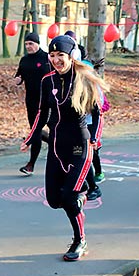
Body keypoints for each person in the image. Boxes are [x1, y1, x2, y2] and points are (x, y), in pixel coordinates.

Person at [21, 35, 104, 262]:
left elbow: (97, 114)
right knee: (54, 200)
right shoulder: (47, 80)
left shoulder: (83, 79)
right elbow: (42, 113)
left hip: (80, 145)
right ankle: (81, 191)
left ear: (70, 56)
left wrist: (96, 138)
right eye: (53, 55)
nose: (56, 59)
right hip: (57, 147)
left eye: (61, 56)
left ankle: (80, 240)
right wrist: (31, 137)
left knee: (69, 197)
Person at [14, 32, 50, 175]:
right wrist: (18, 80)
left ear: (37, 44)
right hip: (31, 100)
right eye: (26, 44)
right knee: (36, 130)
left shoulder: (47, 58)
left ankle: (31, 164)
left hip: (47, 100)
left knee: (35, 131)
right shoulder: (24, 60)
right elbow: (19, 75)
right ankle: (56, 143)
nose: (28, 46)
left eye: (31, 44)